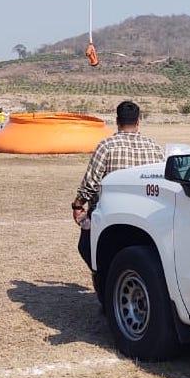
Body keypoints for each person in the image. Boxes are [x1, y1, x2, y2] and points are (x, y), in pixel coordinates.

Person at [72, 101, 163, 271]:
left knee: (86, 247)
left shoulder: (106, 146)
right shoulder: (155, 148)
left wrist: (77, 204)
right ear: (138, 122)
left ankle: (104, 276)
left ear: (117, 121)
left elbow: (91, 183)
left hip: (112, 214)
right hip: (147, 215)